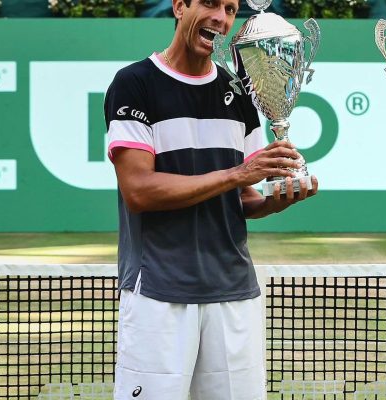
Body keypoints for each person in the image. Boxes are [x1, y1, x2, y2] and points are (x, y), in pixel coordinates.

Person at [104, 0, 317, 399]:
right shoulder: (134, 83)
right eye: (210, 3)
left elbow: (245, 199)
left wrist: (278, 200)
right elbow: (138, 191)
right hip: (158, 294)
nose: (221, 18)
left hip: (234, 293)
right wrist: (238, 174)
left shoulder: (240, 91)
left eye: (231, 8)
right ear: (180, 6)